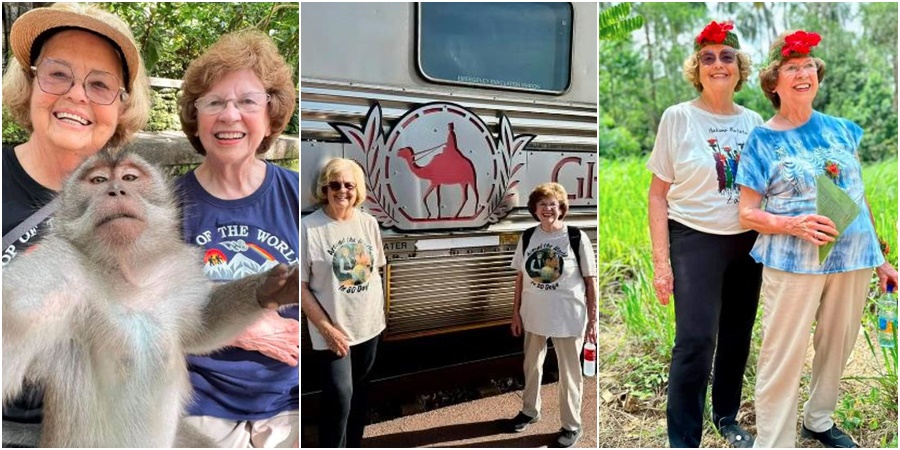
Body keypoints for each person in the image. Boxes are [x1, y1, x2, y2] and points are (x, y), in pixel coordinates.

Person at [735, 29, 898, 448]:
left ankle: (819, 420)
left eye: (809, 66)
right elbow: (747, 212)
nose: (804, 73)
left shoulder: (844, 130)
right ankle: (774, 441)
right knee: (782, 354)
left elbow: (857, 196)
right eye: (792, 67)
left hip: (854, 257)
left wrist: (879, 258)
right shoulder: (762, 139)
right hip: (794, 260)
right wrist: (793, 224)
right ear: (774, 82)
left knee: (837, 345)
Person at [1, 3, 150, 446]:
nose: (77, 96)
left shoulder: (130, 204)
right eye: (58, 74)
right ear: (29, 84)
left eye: (100, 84)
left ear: (121, 107)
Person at [176, 30, 299, 447]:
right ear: (197, 118)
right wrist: (243, 326)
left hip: (290, 403)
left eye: (247, 101)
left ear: (270, 117)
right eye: (214, 102)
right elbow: (138, 313)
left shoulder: (297, 195)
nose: (229, 115)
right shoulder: (165, 206)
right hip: (197, 407)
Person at [646, 20, 763, 448]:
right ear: (696, 68)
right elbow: (657, 195)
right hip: (694, 238)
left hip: (747, 240)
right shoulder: (678, 117)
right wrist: (662, 263)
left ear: (739, 67)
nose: (718, 65)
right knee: (695, 340)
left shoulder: (754, 122)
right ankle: (683, 438)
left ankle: (727, 416)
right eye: (708, 58)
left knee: (737, 334)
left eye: (727, 57)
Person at [300, 158, 387, 448]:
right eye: (334, 184)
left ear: (357, 189)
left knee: (360, 396)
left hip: (370, 326)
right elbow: (299, 286)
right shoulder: (309, 228)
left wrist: (380, 315)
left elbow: (377, 271)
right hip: (333, 329)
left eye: (348, 185)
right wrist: (326, 328)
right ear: (324, 188)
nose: (341, 190)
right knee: (339, 397)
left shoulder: (369, 223)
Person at [508, 182, 597, 448]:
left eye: (552, 204)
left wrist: (593, 320)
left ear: (561, 209)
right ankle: (529, 411)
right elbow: (520, 278)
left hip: (568, 316)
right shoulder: (527, 237)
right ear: (534, 210)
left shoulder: (576, 237)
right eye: (542, 204)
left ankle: (572, 425)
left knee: (569, 373)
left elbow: (591, 282)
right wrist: (515, 314)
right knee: (531, 365)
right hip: (533, 314)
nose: (547, 209)